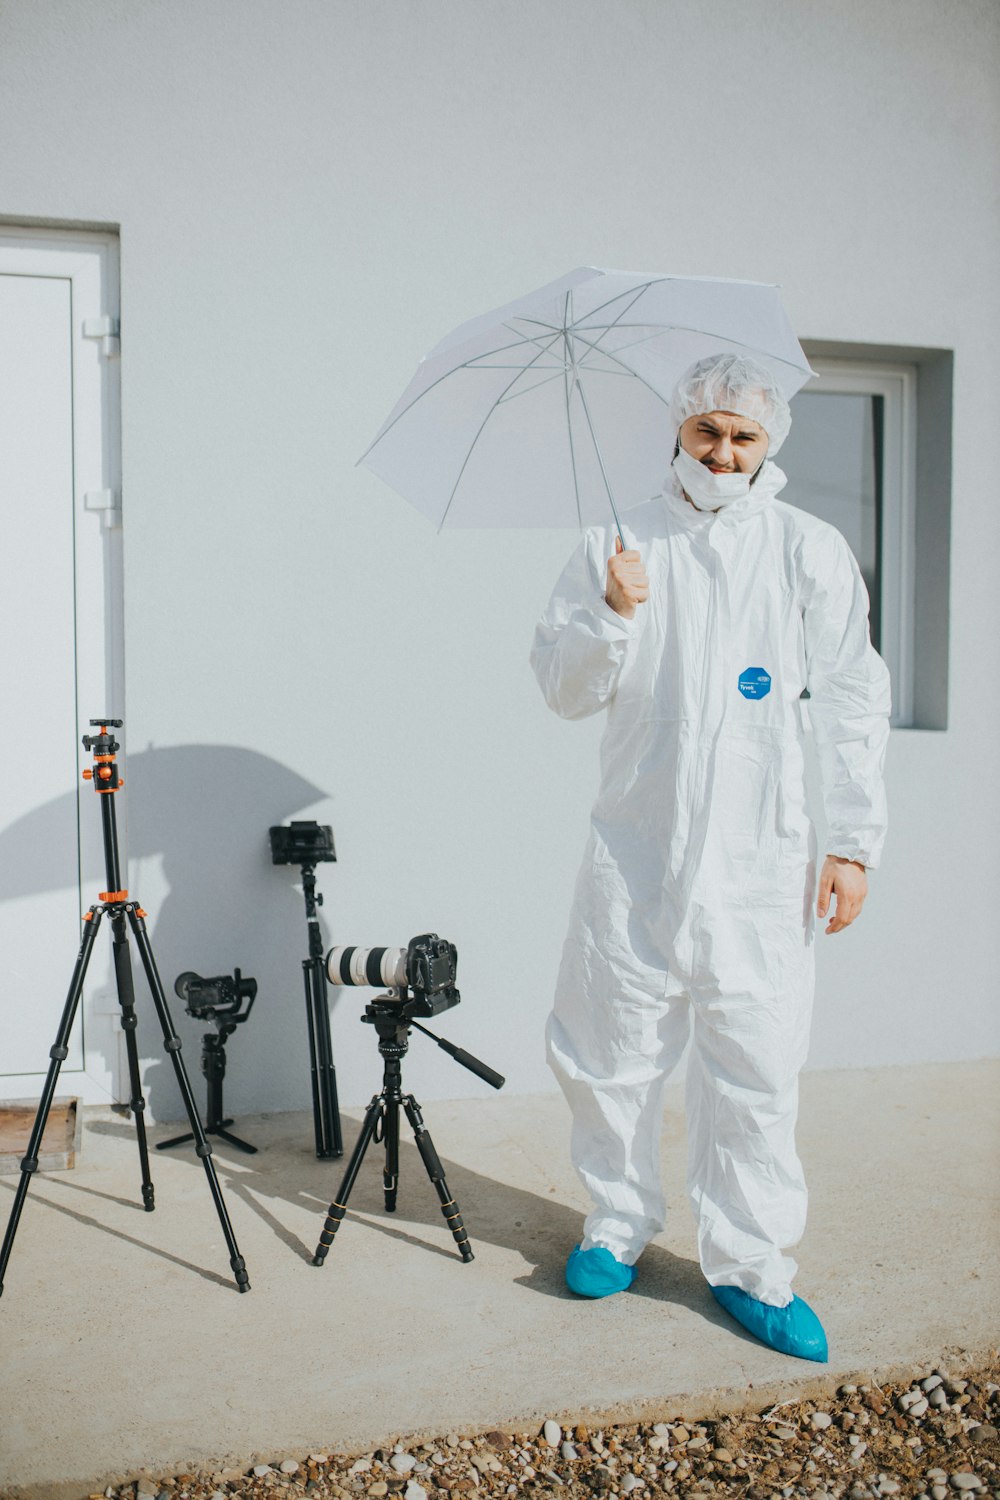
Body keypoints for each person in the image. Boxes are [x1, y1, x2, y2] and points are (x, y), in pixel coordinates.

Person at [529, 352, 890, 1362]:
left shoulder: (808, 550)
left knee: (756, 1063)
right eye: (706, 432)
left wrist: (851, 843)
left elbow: (854, 700)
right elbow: (561, 689)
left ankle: (751, 1268)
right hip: (635, 846)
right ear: (678, 434)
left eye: (742, 435)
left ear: (768, 441)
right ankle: (615, 1223)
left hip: (760, 854)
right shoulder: (618, 540)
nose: (723, 451)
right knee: (609, 1048)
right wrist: (611, 612)